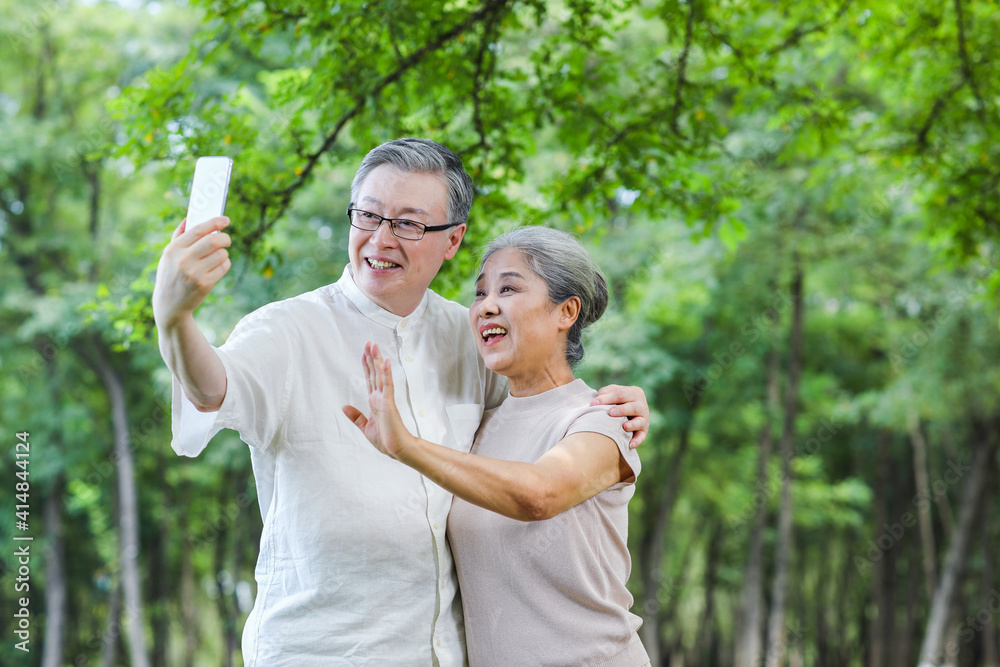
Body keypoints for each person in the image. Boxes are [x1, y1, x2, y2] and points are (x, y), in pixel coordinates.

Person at [153, 138, 650, 665]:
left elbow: (542, 411)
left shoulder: (468, 339)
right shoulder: (287, 330)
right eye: (367, 216)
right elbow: (211, 387)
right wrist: (175, 320)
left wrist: (622, 407)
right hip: (321, 651)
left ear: (452, 239)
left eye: (409, 223)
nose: (381, 238)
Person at [345, 225, 649, 666]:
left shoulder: (602, 419)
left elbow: (540, 494)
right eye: (480, 292)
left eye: (509, 289)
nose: (486, 306)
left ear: (566, 312)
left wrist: (406, 447)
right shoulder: (477, 431)